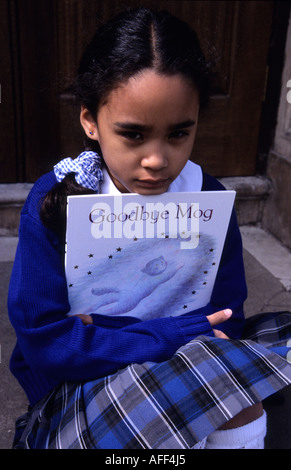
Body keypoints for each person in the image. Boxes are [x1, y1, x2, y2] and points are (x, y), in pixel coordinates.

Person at [8, 8, 291, 449]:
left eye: (178, 134)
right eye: (133, 135)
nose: (156, 159)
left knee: (236, 394)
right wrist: (165, 335)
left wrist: (103, 326)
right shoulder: (56, 202)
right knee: (168, 415)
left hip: (173, 356)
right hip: (78, 379)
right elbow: (45, 342)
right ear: (90, 121)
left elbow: (226, 312)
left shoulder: (206, 197)